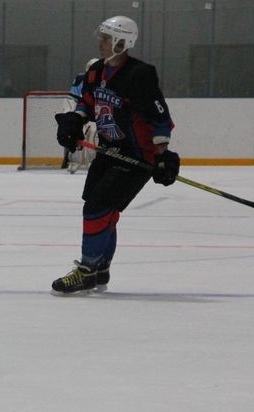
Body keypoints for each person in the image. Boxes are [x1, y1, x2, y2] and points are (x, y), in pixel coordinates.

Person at [52, 16, 178, 295]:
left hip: (135, 156)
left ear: (122, 42)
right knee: (102, 209)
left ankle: (86, 270)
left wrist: (162, 156)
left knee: (97, 207)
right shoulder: (97, 71)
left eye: (107, 39)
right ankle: (100, 268)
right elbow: (86, 103)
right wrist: (73, 121)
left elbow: (159, 118)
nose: (101, 43)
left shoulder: (139, 75)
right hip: (109, 151)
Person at [61, 58, 98, 173]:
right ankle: (74, 161)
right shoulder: (80, 79)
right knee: (76, 134)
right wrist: (70, 113)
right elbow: (72, 98)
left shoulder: (106, 81)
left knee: (93, 136)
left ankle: (94, 162)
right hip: (82, 113)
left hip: (97, 115)